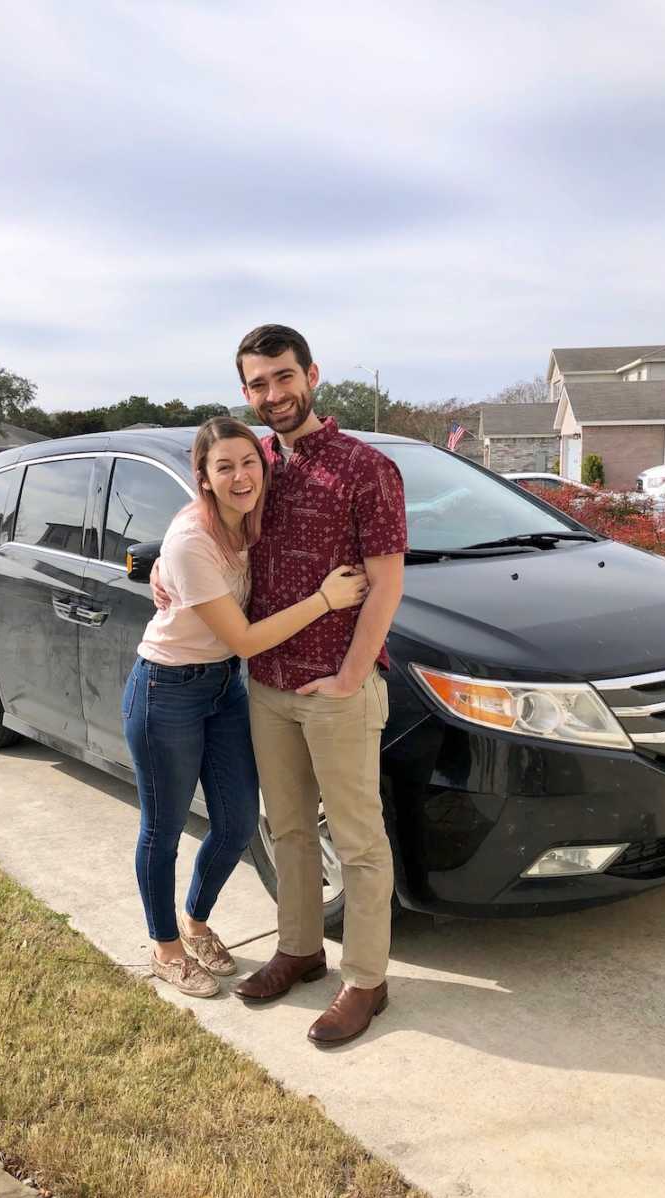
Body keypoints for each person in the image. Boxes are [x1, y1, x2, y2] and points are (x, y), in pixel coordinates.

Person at [155, 326, 407, 1045]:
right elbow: (200, 515)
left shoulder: (366, 467)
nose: (274, 394)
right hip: (265, 684)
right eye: (259, 384)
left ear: (312, 375)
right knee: (288, 831)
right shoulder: (256, 462)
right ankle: (300, 949)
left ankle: (366, 978)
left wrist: (353, 675)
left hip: (337, 688)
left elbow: (386, 586)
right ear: (245, 392)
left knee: (358, 842)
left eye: (284, 377)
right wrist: (160, 571)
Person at [123, 416, 369, 999]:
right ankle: (165, 947)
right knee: (163, 827)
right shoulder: (191, 540)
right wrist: (325, 600)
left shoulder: (254, 521)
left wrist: (157, 566)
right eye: (224, 466)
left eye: (248, 463)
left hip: (223, 689)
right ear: (203, 477)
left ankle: (196, 918)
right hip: (166, 691)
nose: (240, 476)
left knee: (235, 824)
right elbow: (247, 639)